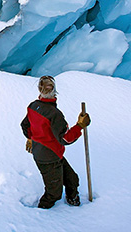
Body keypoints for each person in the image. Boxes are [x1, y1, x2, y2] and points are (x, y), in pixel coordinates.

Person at [21, 75, 91, 209]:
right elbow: (65, 138)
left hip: (49, 153)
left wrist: (30, 138)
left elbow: (25, 125)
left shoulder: (33, 106)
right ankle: (40, 215)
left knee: (72, 180)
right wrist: (80, 126)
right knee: (54, 193)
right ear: (54, 91)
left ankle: (73, 199)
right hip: (49, 158)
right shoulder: (54, 114)